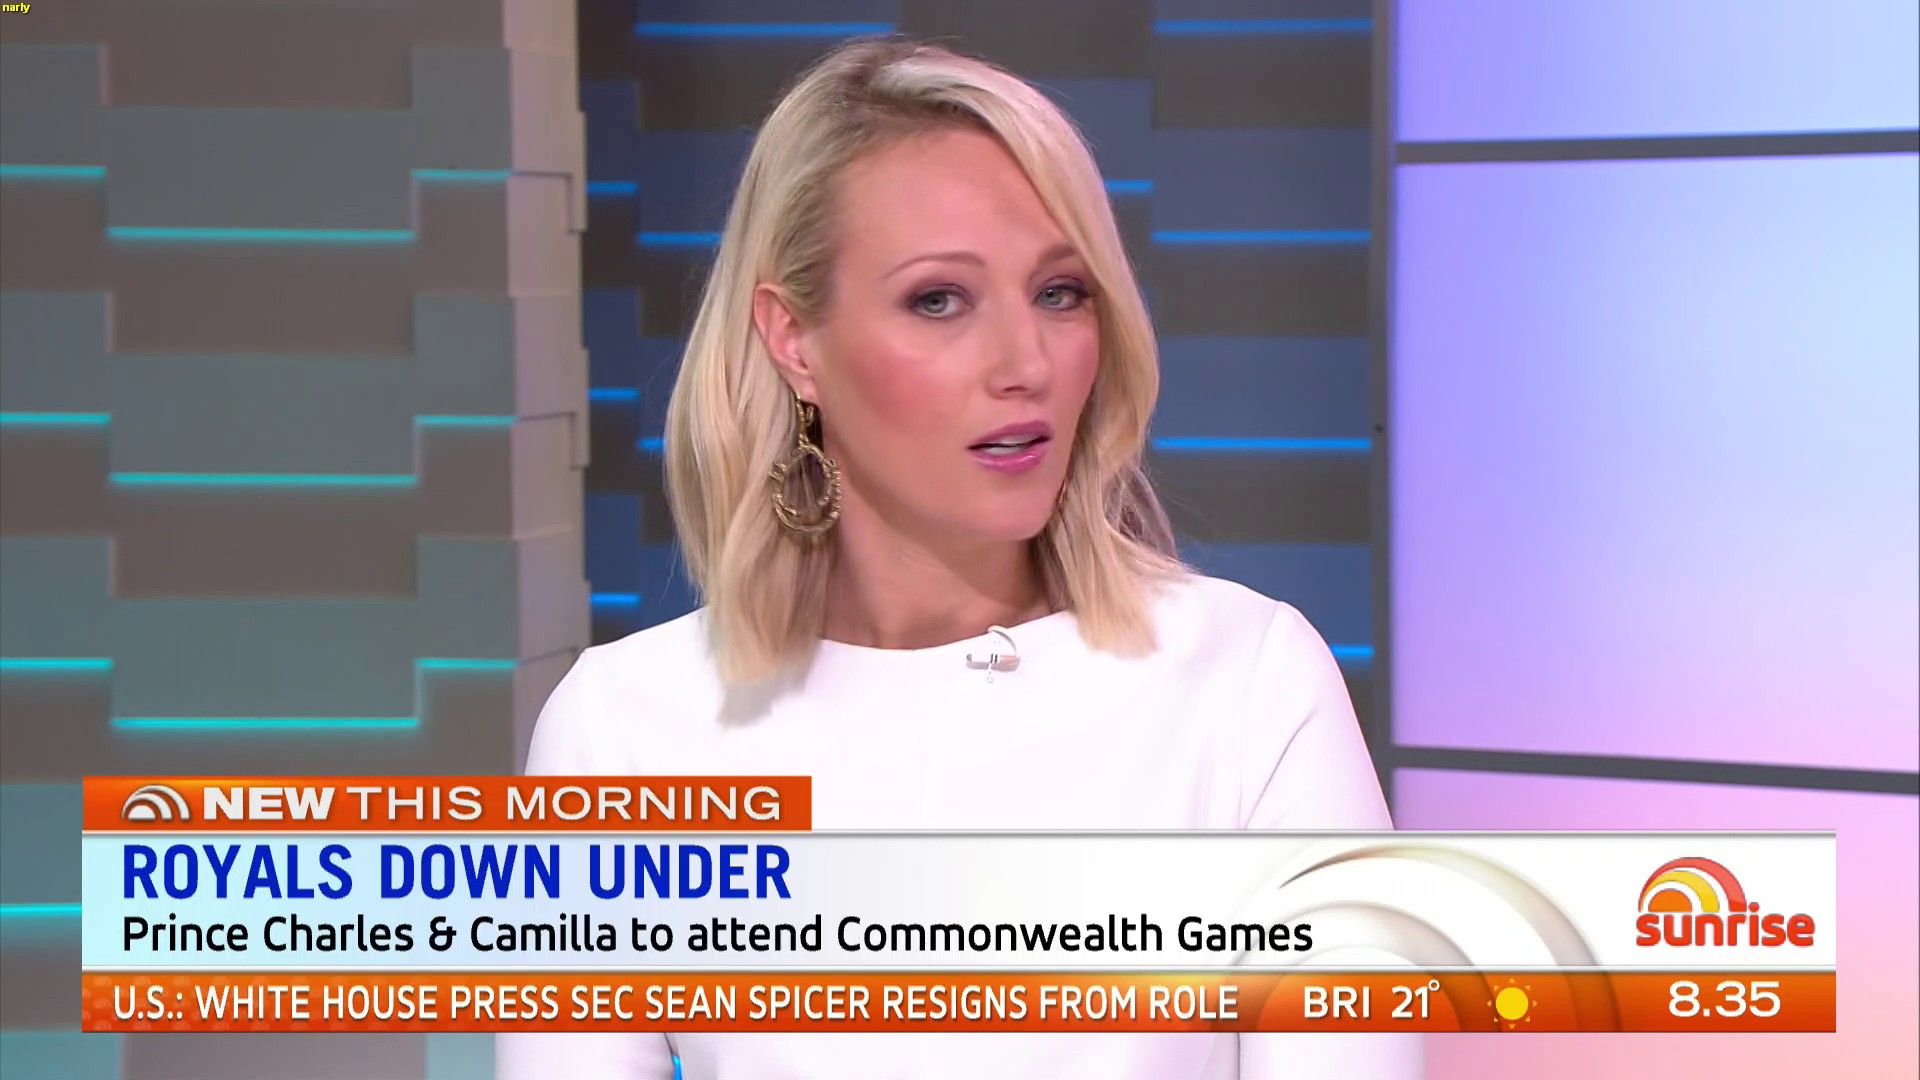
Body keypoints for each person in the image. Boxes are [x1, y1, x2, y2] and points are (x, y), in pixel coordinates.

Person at [499, 36, 1419, 1080]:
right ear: (793, 339)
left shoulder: (1249, 683)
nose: (1026, 364)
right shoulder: (622, 731)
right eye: (939, 300)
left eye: (1061, 293)